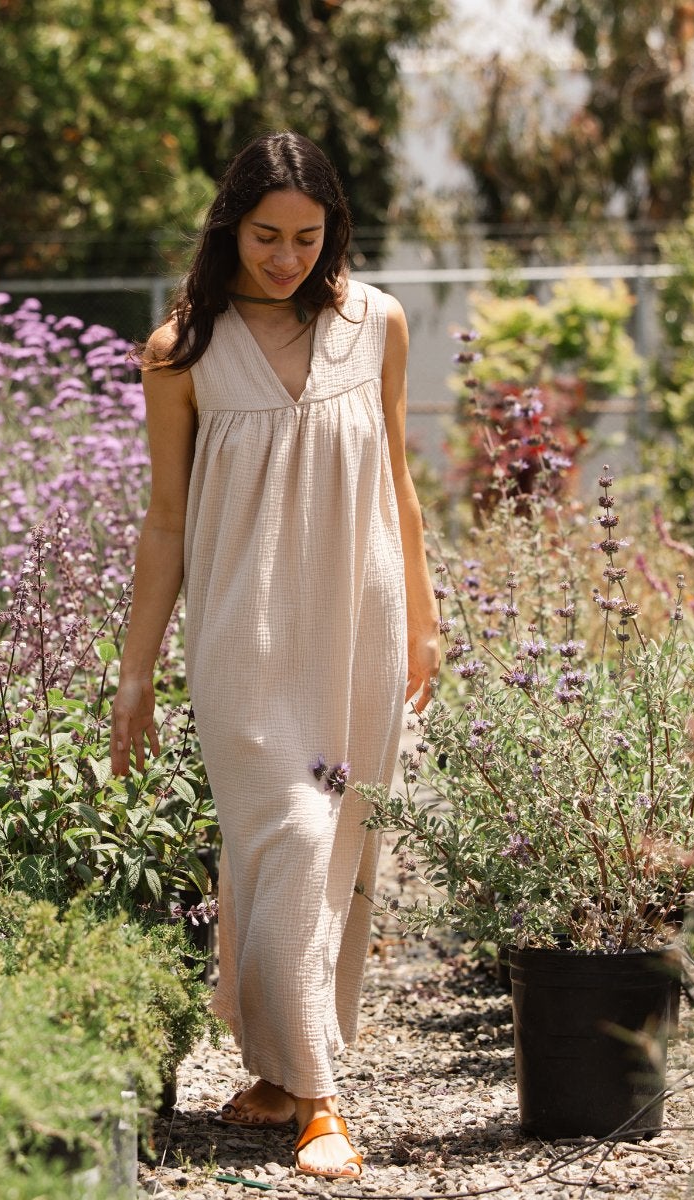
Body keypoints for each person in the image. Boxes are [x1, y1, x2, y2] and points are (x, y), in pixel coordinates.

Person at [109, 130, 441, 1182]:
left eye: (307, 237)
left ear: (333, 230)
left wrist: (425, 618)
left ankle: (271, 1070)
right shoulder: (182, 352)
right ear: (229, 227)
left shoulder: (377, 321)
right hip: (243, 643)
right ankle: (323, 1102)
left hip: (360, 628)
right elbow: (165, 522)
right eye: (265, 236)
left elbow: (397, 472)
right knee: (292, 830)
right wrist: (135, 672)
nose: (286, 258)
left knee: (335, 837)